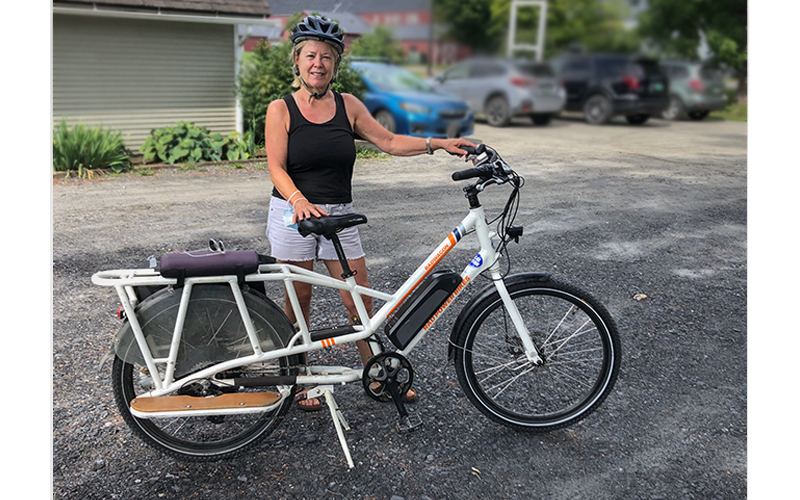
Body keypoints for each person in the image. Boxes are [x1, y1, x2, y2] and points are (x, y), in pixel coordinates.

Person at [265, 15, 477, 411]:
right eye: (310, 55)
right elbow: (276, 166)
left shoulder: (348, 107)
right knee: (300, 298)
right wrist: (297, 199)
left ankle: (377, 374)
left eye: (327, 57)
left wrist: (440, 143)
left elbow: (391, 141)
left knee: (357, 300)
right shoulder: (281, 109)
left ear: (335, 64)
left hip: (339, 214)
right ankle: (299, 379)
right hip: (293, 213)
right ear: (297, 60)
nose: (318, 63)